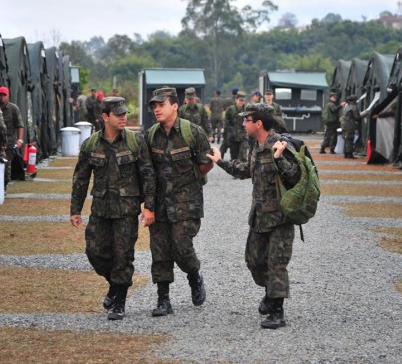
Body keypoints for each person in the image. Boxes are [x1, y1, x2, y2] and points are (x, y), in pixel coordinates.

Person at [206, 103, 301, 329]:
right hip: (259, 218)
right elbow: (245, 170)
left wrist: (280, 159)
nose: (243, 123)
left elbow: (296, 178)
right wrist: (219, 161)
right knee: (254, 263)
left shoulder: (281, 145)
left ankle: (277, 311)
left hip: (280, 219)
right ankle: (270, 293)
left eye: (246, 120)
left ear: (258, 123)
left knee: (276, 264)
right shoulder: (256, 147)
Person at [70, 96, 156, 320]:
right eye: (118, 114)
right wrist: (75, 209)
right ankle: (114, 285)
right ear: (105, 117)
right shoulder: (91, 145)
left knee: (123, 256)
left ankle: (120, 301)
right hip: (100, 210)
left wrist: (149, 206)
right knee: (95, 252)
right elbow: (80, 179)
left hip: (126, 211)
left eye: (125, 113)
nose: (123, 117)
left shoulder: (135, 142)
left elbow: (148, 175)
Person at [145, 86, 213, 317]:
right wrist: (148, 205)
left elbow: (206, 162)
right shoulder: (151, 135)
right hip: (160, 203)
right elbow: (146, 171)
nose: (157, 109)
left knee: (182, 248)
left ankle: (194, 276)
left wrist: (191, 180)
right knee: (160, 250)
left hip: (186, 201)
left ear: (175, 106)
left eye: (161, 105)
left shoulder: (193, 132)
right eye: (154, 106)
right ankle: (163, 299)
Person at [0, 86, 24, 190]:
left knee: (7, 166)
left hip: (9, 143)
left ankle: (4, 186)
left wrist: (19, 140)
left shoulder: (13, 108)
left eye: (4, 95)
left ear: (8, 96)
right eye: (0, 95)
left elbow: (20, 125)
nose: (2, 97)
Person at [340, 95, 368, 159]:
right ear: (354, 100)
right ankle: (350, 154)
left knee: (346, 139)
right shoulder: (354, 107)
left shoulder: (346, 106)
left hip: (344, 124)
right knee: (350, 139)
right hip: (349, 125)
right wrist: (365, 113)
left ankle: (346, 153)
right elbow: (357, 117)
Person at [223, 91, 248, 161]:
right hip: (233, 137)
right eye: (240, 100)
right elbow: (226, 125)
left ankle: (243, 171)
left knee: (243, 157)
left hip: (244, 137)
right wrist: (226, 138)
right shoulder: (230, 110)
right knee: (234, 158)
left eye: (243, 101)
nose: (241, 102)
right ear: (236, 99)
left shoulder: (247, 110)